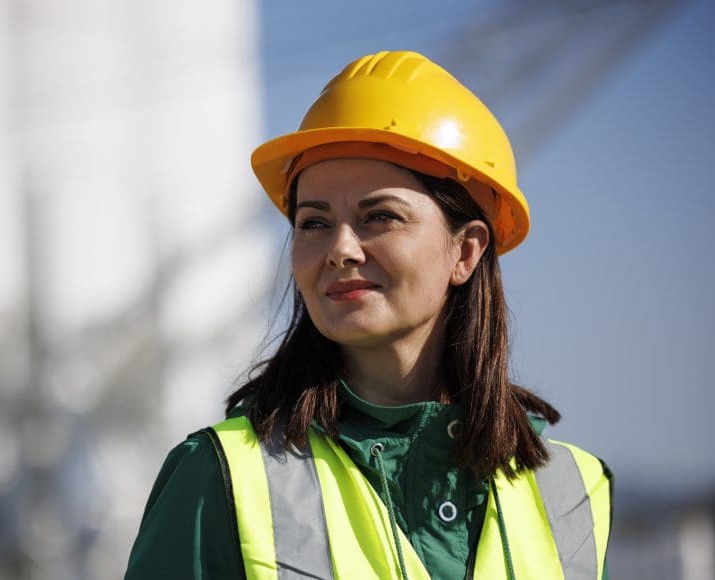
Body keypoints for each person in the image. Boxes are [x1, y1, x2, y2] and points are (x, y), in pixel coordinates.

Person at [125, 50, 613, 579]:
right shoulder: (219, 478)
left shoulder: (573, 493)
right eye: (313, 223)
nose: (341, 249)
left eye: (379, 216)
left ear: (466, 251)